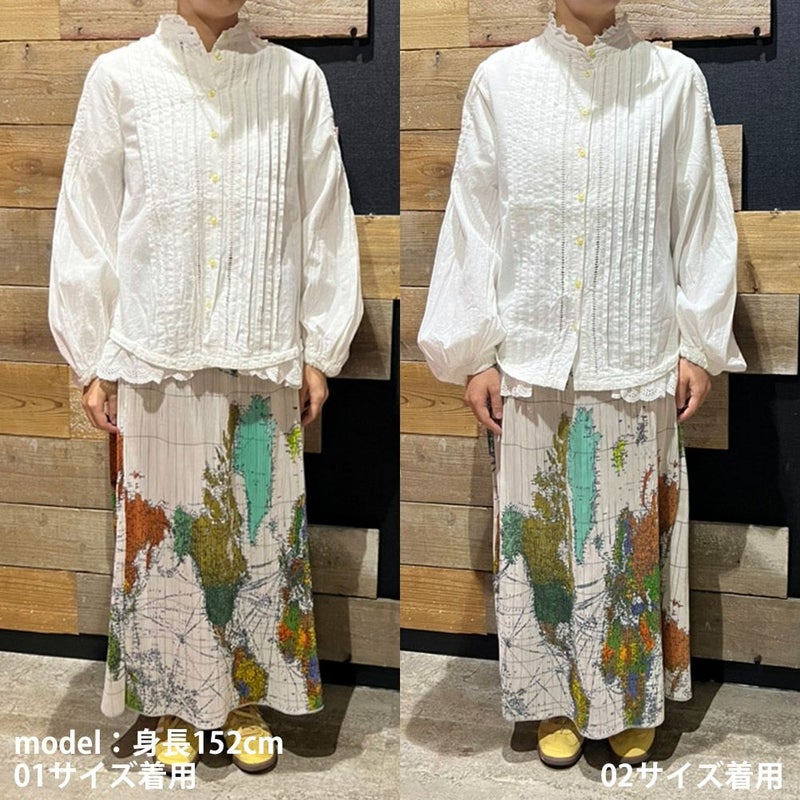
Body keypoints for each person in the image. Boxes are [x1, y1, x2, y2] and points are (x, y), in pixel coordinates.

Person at [417, 0, 745, 770]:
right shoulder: (501, 81)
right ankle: (551, 698)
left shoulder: (674, 81)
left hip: (636, 354)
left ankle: (626, 695)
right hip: (530, 359)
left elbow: (700, 214)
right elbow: (474, 221)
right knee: (542, 543)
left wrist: (699, 343)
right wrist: (476, 352)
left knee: (625, 544)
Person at [48, 0, 363, 775]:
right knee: (166, 541)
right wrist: (93, 355)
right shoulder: (120, 77)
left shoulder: (296, 80)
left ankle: (244, 697)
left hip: (262, 352)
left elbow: (323, 215)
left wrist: (319, 344)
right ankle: (168, 701)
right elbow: (88, 217)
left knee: (257, 533)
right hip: (156, 352)